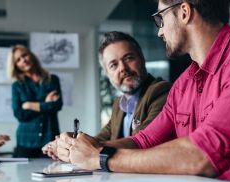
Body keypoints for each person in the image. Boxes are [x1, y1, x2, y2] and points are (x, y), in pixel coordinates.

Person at [54, 0, 230, 182]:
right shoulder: (184, 84)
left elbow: (204, 156)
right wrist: (83, 148)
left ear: (185, 12)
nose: (159, 30)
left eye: (161, 18)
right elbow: (143, 141)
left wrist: (101, 158)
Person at [42, 31, 171, 159]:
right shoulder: (119, 104)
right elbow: (99, 139)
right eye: (113, 65)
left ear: (142, 58)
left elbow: (143, 141)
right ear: (108, 74)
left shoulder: (160, 91)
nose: (122, 68)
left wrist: (77, 148)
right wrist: (68, 143)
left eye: (128, 58)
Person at [8, 45, 63, 158]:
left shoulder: (52, 80)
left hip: (50, 139)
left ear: (31, 55)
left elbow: (57, 105)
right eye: (18, 60)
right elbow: (19, 114)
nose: (23, 60)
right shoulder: (17, 86)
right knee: (22, 175)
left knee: (52, 173)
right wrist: (46, 103)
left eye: (24, 55)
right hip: (26, 141)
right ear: (16, 66)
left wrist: (29, 105)